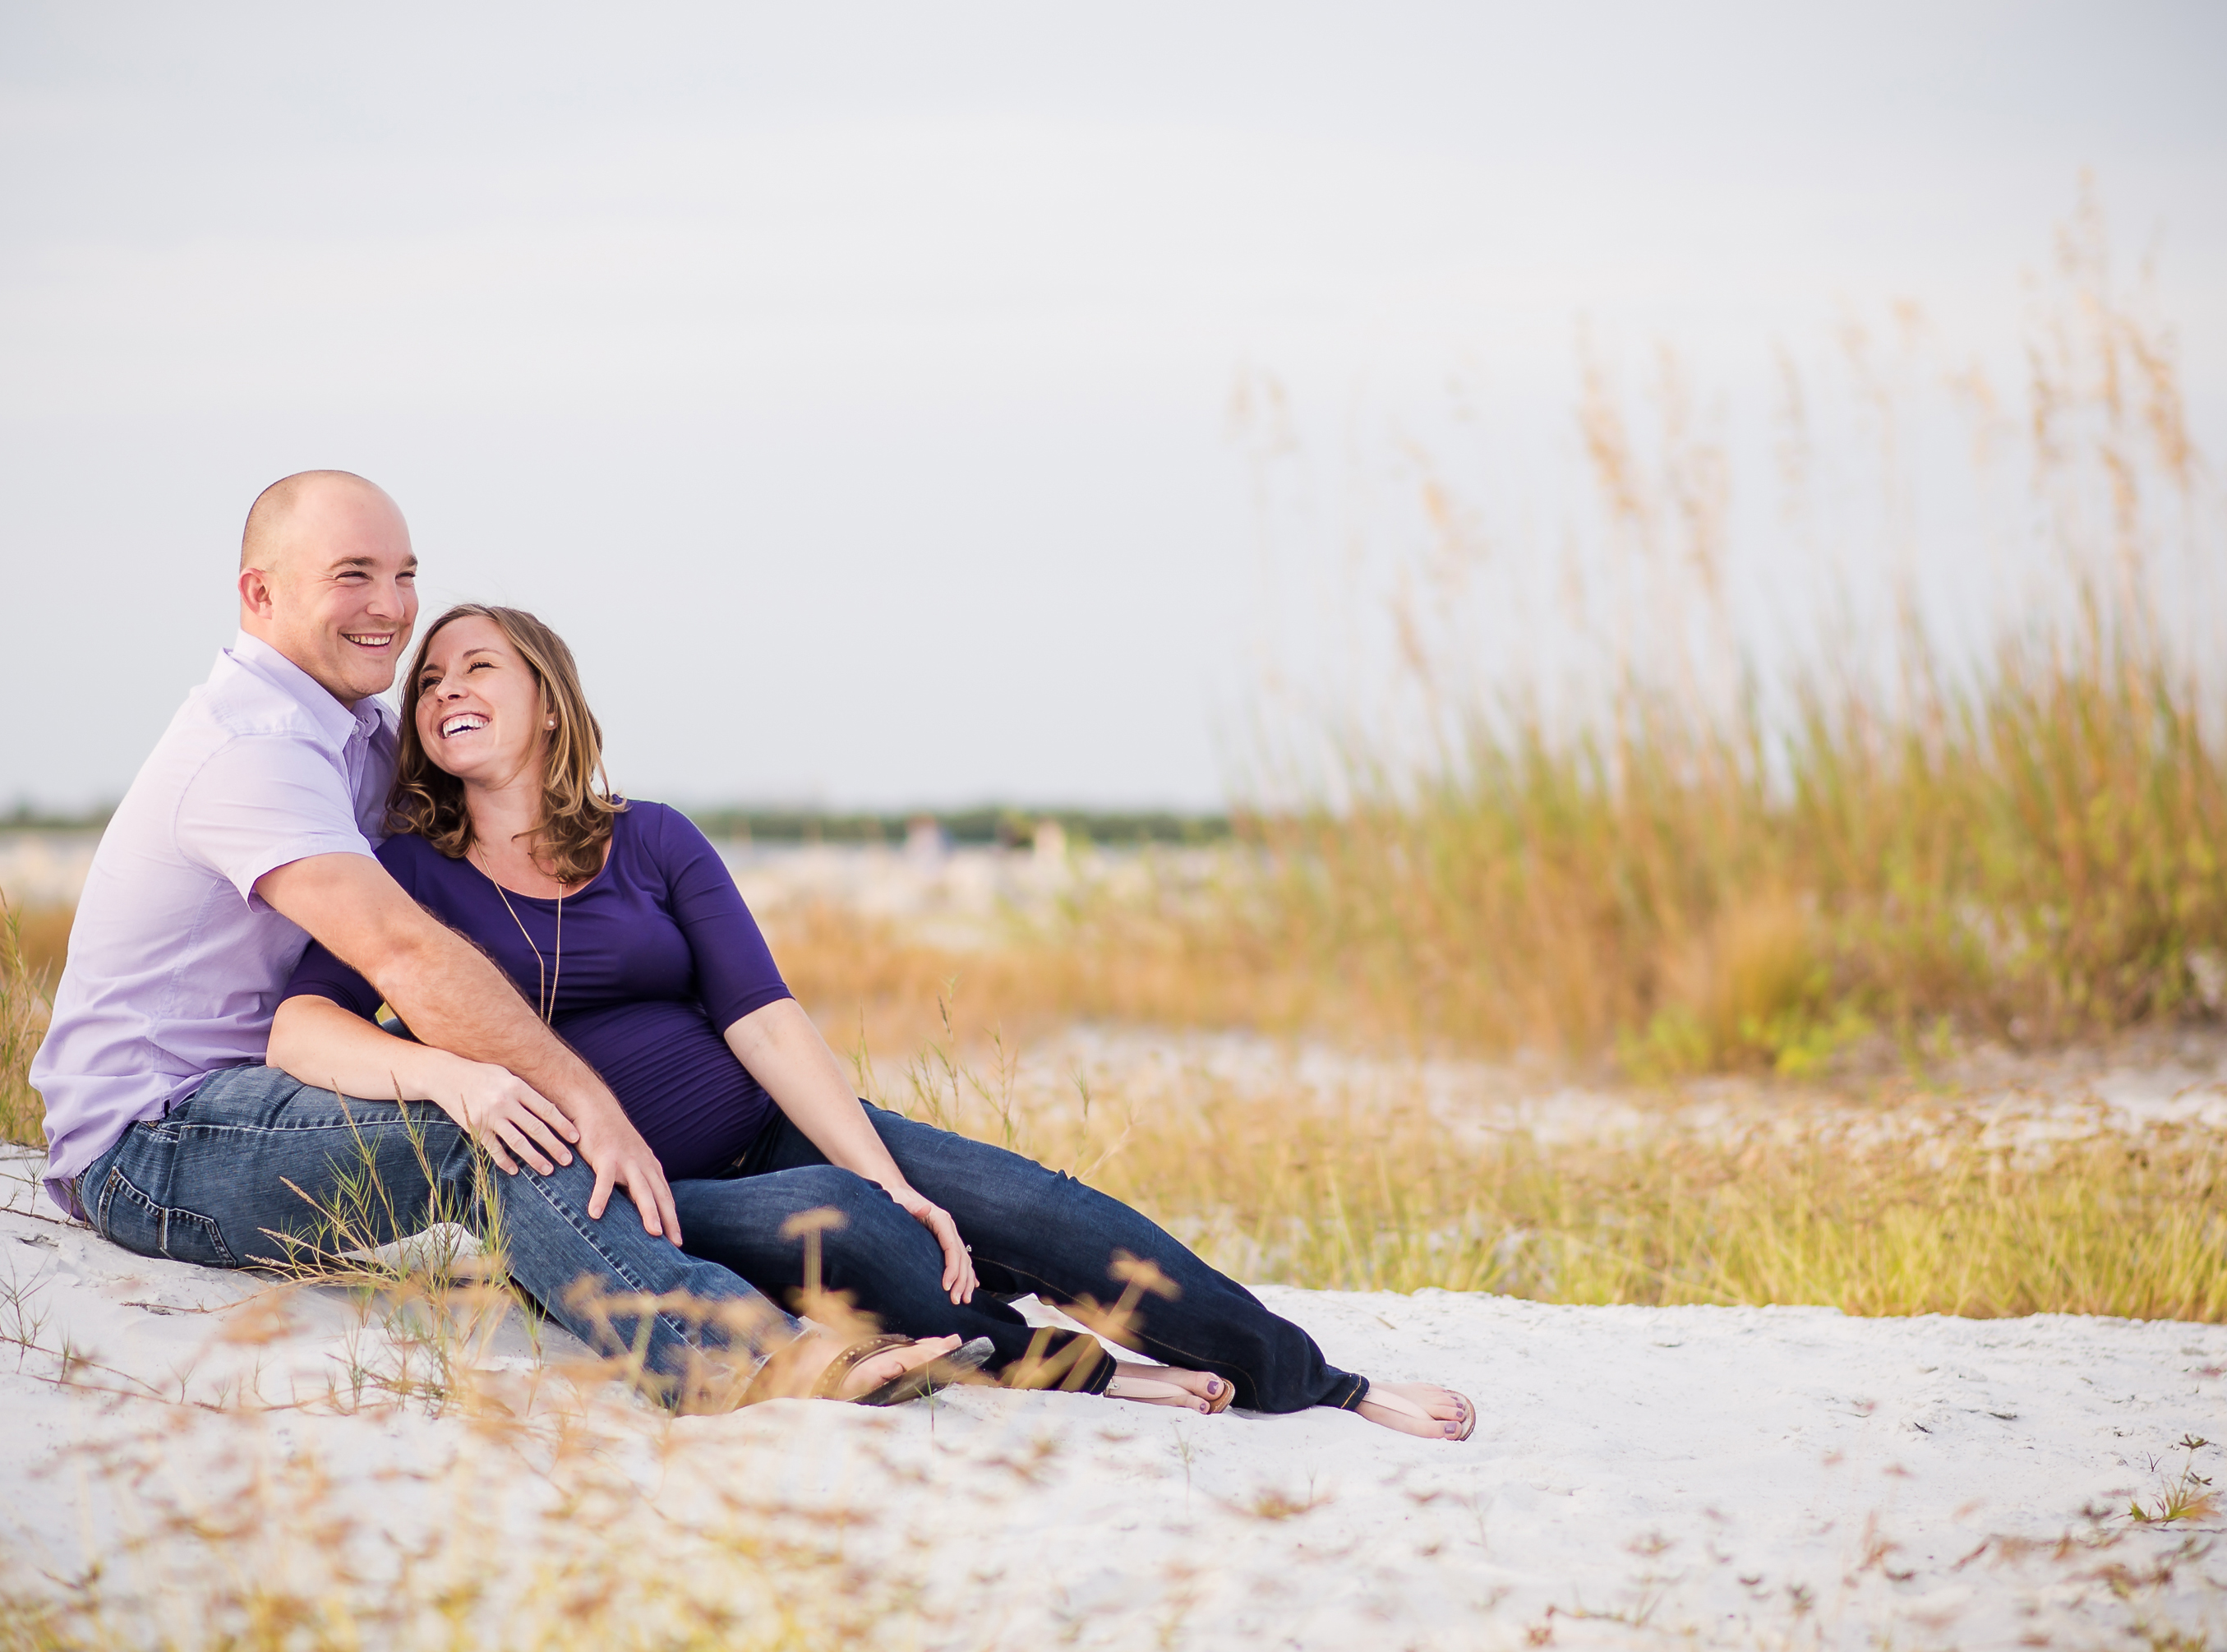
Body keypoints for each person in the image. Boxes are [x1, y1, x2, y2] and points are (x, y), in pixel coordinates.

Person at [270, 600, 1479, 1439]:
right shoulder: (406, 870)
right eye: (430, 678)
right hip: (625, 1200)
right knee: (857, 1231)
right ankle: (1082, 1372)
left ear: (548, 697)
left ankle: (1318, 1382)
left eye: (476, 665)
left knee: (1045, 1210)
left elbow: (763, 1019)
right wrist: (444, 1076)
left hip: (771, 1130)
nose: (444, 688)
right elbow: (299, 1030)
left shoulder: (652, 837)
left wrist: (892, 1168)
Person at [30, 472, 968, 1409]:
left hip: (270, 1095)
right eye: (352, 575)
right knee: (488, 1124)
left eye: (404, 575)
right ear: (261, 594)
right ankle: (748, 1360)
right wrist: (575, 1098)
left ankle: (954, 1316)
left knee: (496, 1094)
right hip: (150, 1144)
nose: (391, 609)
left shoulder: (358, 733)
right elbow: (401, 950)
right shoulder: (253, 747)